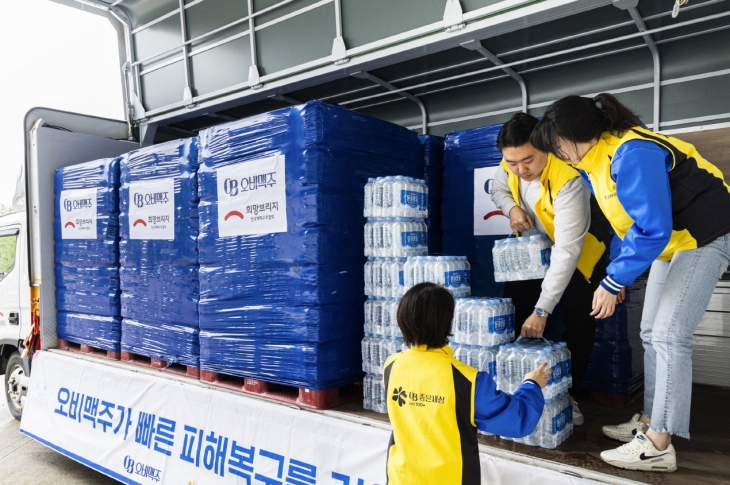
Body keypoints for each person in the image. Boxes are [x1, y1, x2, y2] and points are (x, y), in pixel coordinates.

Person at [531, 92, 730, 473]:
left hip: (706, 233)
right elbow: (625, 222)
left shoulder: (631, 151)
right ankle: (650, 422)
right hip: (673, 243)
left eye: (557, 145)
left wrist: (611, 281)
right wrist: (618, 272)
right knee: (651, 331)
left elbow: (652, 227)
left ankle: (657, 445)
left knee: (669, 335)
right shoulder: (593, 162)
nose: (557, 154)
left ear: (577, 134)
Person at [492, 112, 617, 424]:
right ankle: (517, 389)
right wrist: (512, 208)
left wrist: (543, 310)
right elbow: (497, 188)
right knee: (516, 313)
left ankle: (567, 396)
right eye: (512, 163)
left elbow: (566, 251)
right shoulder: (510, 163)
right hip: (531, 255)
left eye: (528, 160)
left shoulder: (568, 179)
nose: (521, 170)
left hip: (577, 257)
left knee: (579, 322)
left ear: (545, 146)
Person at [383, 282, 551, 484]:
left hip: (400, 478)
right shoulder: (466, 381)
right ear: (447, 322)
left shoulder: (392, 365)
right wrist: (531, 385)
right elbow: (517, 421)